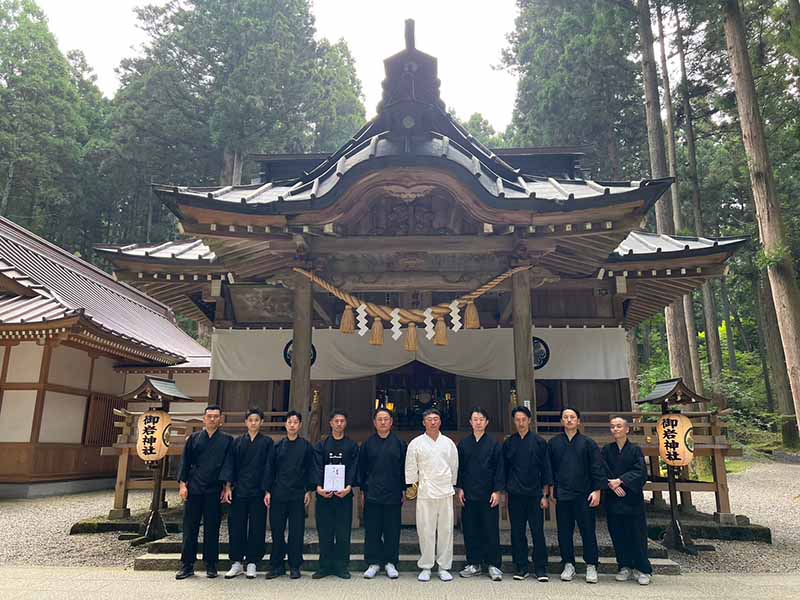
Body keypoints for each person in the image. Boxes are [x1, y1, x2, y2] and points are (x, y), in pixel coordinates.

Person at [175, 405, 233, 580]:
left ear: (221, 419)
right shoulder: (193, 438)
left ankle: (211, 564)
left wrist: (227, 487)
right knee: (190, 526)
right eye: (210, 416)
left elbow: (228, 465)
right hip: (194, 487)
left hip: (214, 488)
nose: (213, 419)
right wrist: (182, 485)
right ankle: (187, 564)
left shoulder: (227, 440)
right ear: (204, 418)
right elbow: (185, 463)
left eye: (216, 416)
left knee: (212, 527)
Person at [548, 407, 605, 584]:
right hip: (563, 494)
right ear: (561, 421)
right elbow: (550, 468)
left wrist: (597, 490)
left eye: (572, 417)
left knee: (587, 530)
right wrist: (550, 489)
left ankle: (591, 564)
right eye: (566, 417)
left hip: (584, 494)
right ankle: (568, 563)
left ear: (578, 421)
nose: (569, 420)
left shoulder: (588, 443)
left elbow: (596, 467)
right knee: (564, 531)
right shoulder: (554, 443)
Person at [405, 408, 459, 582]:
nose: (433, 422)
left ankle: (444, 566)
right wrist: (412, 487)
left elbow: (454, 466)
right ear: (423, 422)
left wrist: (452, 485)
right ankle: (426, 566)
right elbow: (411, 467)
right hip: (425, 491)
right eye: (429, 419)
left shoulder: (448, 443)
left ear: (440, 421)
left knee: (446, 530)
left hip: (444, 490)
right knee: (425, 529)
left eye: (436, 419)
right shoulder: (416, 443)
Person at [221, 407, 273, 580]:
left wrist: (267, 490)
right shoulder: (237, 442)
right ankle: (236, 562)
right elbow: (230, 465)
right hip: (239, 490)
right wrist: (228, 487)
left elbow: (269, 468)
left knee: (257, 527)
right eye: (250, 420)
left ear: (262, 422)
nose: (253, 423)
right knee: (236, 526)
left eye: (257, 420)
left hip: (258, 490)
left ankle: (252, 562)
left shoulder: (267, 442)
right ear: (246, 422)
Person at [503, 405, 553, 582]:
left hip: (534, 493)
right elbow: (505, 469)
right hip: (515, 493)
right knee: (517, 531)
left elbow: (546, 469)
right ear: (514, 421)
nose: (521, 423)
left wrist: (545, 494)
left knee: (537, 531)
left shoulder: (539, 442)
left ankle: (540, 567)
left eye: (524, 419)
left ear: (529, 420)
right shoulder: (509, 442)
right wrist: (505, 492)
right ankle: (521, 566)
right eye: (517, 420)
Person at [602, 416, 653, 586]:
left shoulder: (635, 450)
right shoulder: (607, 450)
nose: (615, 429)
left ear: (627, 429)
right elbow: (601, 469)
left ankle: (642, 568)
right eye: (612, 427)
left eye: (618, 426)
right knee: (617, 533)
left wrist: (621, 480)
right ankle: (623, 566)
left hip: (631, 499)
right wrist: (611, 483)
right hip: (613, 497)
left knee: (636, 534)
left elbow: (640, 472)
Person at [263, 410, 314, 580]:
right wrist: (268, 491)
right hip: (278, 493)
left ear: (300, 425)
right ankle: (277, 565)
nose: (292, 425)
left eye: (295, 422)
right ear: (285, 424)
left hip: (297, 494)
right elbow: (269, 469)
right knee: (277, 530)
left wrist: (308, 490)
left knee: (296, 531)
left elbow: (309, 470)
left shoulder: (306, 446)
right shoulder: (277, 446)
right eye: (289, 422)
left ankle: (294, 565)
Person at [358, 408, 407, 580]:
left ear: (391, 422)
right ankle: (373, 562)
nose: (383, 422)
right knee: (372, 530)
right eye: (380, 419)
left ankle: (390, 562)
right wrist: (363, 491)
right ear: (374, 422)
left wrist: (403, 489)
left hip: (393, 493)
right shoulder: (367, 444)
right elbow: (361, 470)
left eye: (386, 419)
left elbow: (404, 470)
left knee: (392, 529)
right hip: (372, 493)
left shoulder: (400, 444)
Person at [456, 407, 505, 581]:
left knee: (490, 529)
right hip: (468, 493)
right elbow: (459, 469)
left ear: (486, 422)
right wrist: (460, 488)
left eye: (481, 419)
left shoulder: (494, 444)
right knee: (470, 530)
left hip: (488, 494)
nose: (478, 422)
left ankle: (493, 564)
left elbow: (500, 469)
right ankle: (473, 563)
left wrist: (497, 491)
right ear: (470, 422)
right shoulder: (463, 444)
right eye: (474, 419)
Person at [312, 410, 359, 580]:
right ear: (330, 423)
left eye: (342, 421)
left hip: (343, 496)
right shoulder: (321, 446)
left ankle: (341, 566)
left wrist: (348, 487)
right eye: (336, 421)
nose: (339, 424)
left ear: (345, 424)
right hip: (324, 496)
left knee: (342, 532)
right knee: (324, 532)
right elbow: (316, 467)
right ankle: (324, 566)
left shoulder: (352, 446)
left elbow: (354, 468)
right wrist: (318, 487)